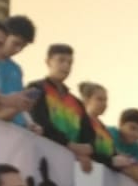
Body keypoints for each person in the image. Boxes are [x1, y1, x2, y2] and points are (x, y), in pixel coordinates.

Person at [28, 44, 96, 174]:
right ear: (48, 62)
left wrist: (87, 149)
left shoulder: (76, 102)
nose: (66, 66)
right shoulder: (36, 88)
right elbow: (39, 121)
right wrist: (70, 145)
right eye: (61, 60)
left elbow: (89, 133)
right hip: (41, 158)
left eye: (70, 62)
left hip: (69, 165)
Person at [0, 15, 42, 133]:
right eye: (15, 43)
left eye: (23, 46)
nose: (18, 50)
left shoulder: (16, 69)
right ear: (4, 36)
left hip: (17, 131)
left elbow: (21, 105)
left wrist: (30, 123)